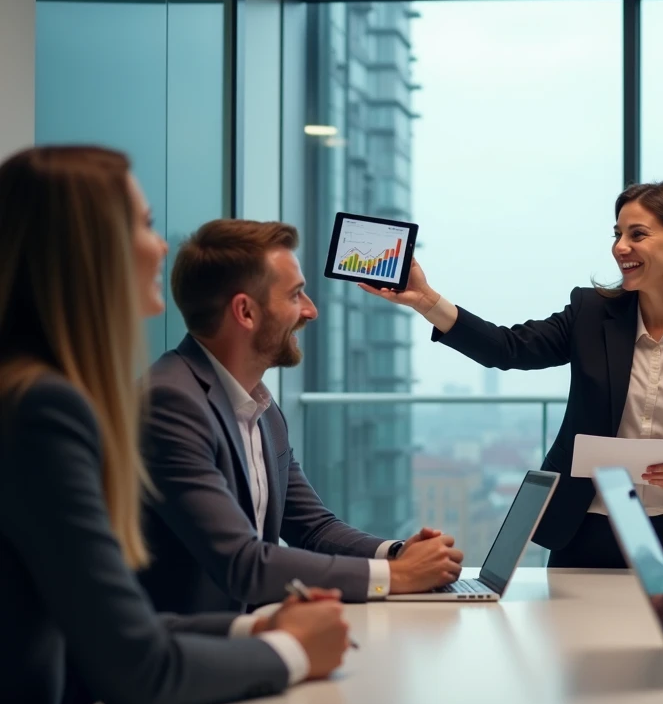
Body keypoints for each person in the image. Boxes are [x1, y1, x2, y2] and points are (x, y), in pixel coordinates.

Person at [0, 146, 351, 704]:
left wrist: (264, 624)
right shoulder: (45, 410)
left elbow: (115, 624)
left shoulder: (36, 392)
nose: (162, 246)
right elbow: (138, 667)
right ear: (88, 249)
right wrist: (292, 650)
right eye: (143, 224)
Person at [362, 180, 663, 569]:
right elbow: (506, 348)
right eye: (617, 234)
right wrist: (426, 300)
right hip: (584, 532)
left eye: (638, 234)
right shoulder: (589, 313)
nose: (620, 247)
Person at [138, 219, 463, 615]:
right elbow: (243, 562)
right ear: (245, 312)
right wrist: (399, 577)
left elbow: (313, 529)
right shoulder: (171, 402)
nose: (311, 311)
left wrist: (397, 554)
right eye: (295, 295)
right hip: (193, 653)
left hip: (251, 636)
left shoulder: (261, 407)